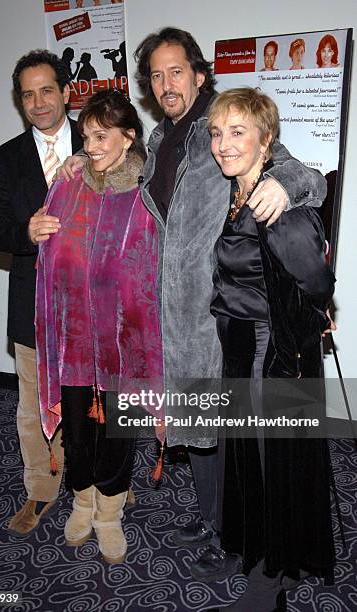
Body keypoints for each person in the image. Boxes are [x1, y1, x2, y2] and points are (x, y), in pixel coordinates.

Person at [57, 27, 327, 582]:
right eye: (155, 75)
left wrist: (286, 187)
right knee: (196, 428)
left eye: (176, 70)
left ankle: (235, 535)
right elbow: (121, 175)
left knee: (226, 435)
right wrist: (78, 165)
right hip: (167, 313)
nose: (165, 83)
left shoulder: (222, 124)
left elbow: (304, 173)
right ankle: (211, 521)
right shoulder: (159, 139)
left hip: (214, 312)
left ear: (199, 74)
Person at [209, 87, 335, 611]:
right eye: (217, 133)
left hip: (269, 354)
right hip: (240, 346)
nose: (223, 144)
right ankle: (259, 551)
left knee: (270, 463)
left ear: (266, 140)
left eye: (237, 132)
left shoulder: (275, 202)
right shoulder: (233, 193)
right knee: (251, 460)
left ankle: (273, 577)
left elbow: (317, 281)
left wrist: (307, 322)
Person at [35, 89, 162, 564]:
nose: (91, 145)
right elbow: (48, 243)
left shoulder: (146, 191)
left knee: (119, 431)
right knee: (79, 431)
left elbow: (156, 265)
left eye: (102, 135)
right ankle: (82, 500)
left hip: (125, 340)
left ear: (128, 137)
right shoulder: (69, 183)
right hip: (74, 339)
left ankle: (110, 512)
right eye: (86, 135)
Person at [0, 50, 83, 535]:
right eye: (28, 94)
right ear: (20, 101)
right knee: (32, 408)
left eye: (48, 90)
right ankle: (41, 492)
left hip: (94, 305)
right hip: (33, 305)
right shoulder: (2, 160)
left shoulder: (102, 138)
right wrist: (25, 231)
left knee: (95, 400)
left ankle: (103, 482)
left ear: (66, 92)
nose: (39, 102)